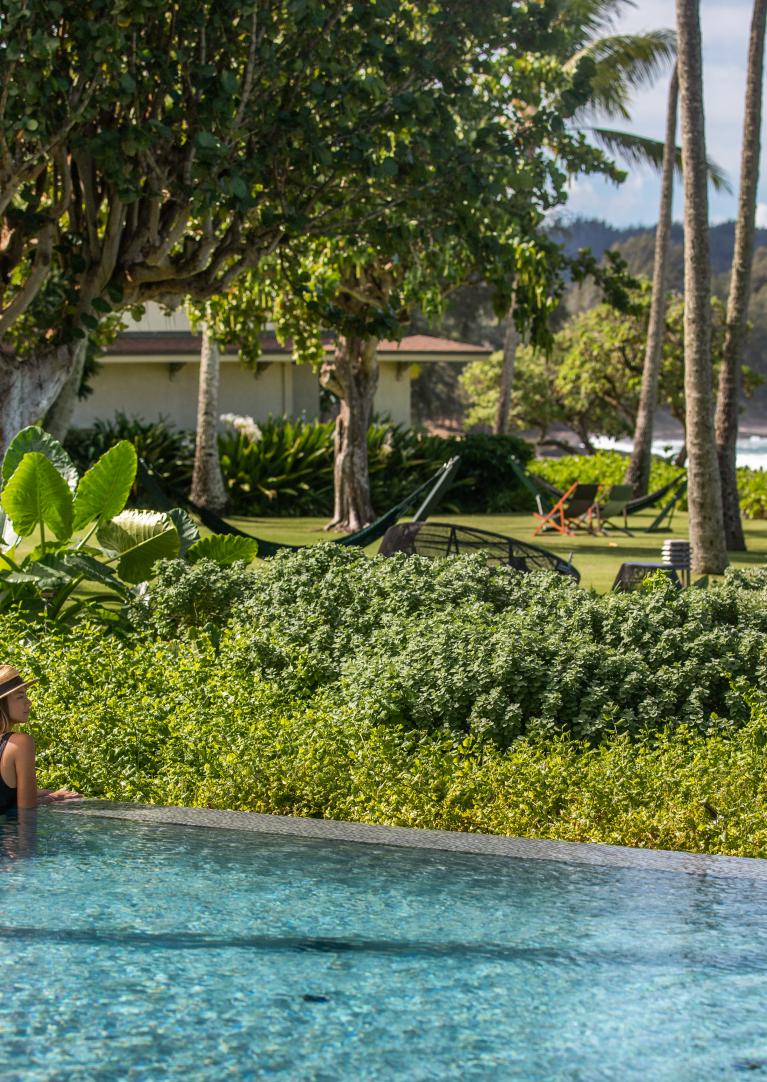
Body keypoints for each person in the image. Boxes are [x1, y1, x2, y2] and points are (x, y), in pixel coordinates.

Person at [0, 665, 80, 810]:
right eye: (20, 696)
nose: (28, 702)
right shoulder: (20, 743)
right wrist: (54, 797)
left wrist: (42, 793)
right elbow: (26, 809)